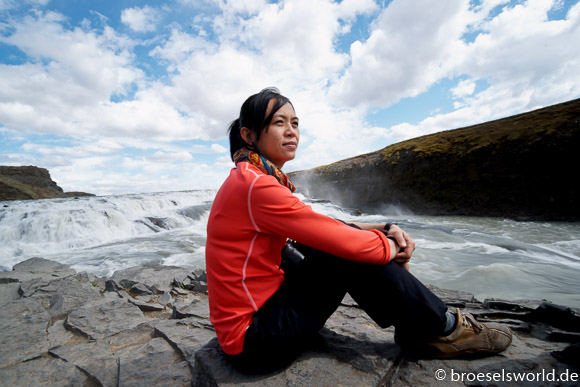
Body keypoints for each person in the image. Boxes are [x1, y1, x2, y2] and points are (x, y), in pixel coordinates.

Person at [205, 87, 512, 374]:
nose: (291, 132)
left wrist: (383, 227)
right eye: (279, 123)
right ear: (249, 134)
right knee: (344, 250)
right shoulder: (257, 187)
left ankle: (415, 322)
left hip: (254, 324)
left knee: (332, 241)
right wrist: (393, 246)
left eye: (295, 123)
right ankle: (443, 328)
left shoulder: (249, 179)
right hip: (254, 343)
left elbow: (318, 225)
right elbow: (347, 244)